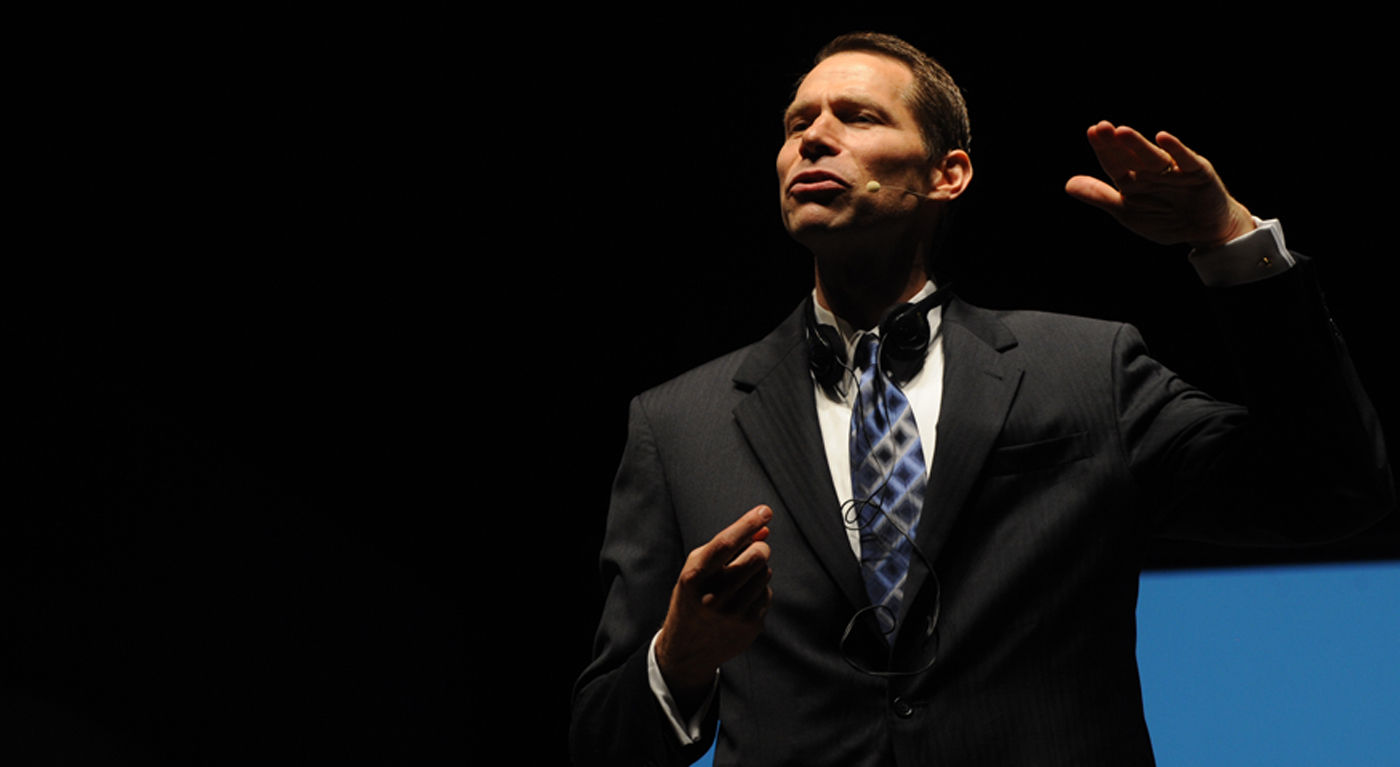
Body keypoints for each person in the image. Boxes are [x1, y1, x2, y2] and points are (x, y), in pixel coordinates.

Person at [571, 32, 1392, 767]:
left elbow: (1328, 491)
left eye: (856, 117)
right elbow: (603, 740)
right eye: (796, 124)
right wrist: (679, 657)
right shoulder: (679, 422)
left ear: (947, 173)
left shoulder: (1085, 368)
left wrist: (1228, 244)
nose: (812, 138)